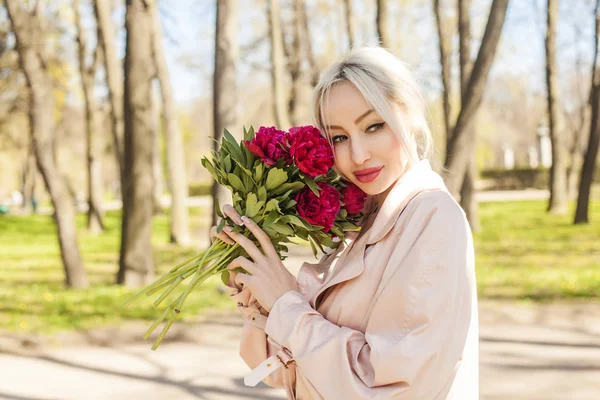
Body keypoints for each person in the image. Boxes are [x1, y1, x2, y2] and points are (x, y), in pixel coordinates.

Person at [209, 46, 478, 399]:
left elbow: (397, 388)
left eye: (374, 126)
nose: (358, 155)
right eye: (339, 137)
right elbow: (295, 373)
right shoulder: (360, 222)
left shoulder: (432, 219)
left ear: (409, 116)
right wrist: (257, 291)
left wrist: (285, 303)